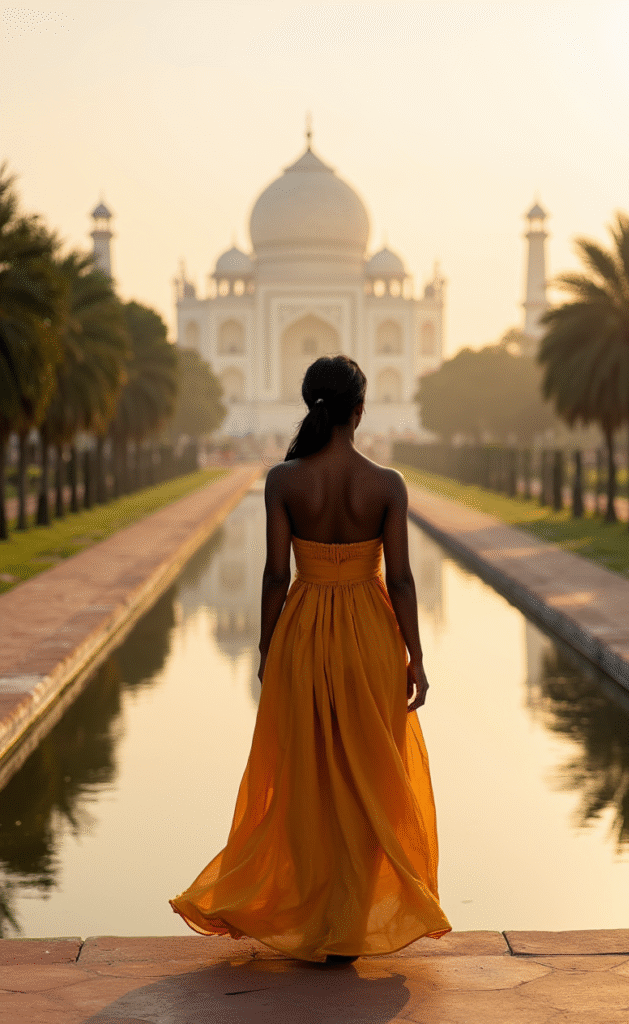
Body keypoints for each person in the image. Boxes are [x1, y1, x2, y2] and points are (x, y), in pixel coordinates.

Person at [170, 355, 451, 963]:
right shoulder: (387, 484)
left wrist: (267, 648)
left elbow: (276, 574)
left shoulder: (283, 480)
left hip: (304, 632)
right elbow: (402, 580)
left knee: (307, 777)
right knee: (370, 776)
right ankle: (350, 922)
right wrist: (417, 658)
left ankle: (313, 916)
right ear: (360, 410)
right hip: (371, 637)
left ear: (310, 405)